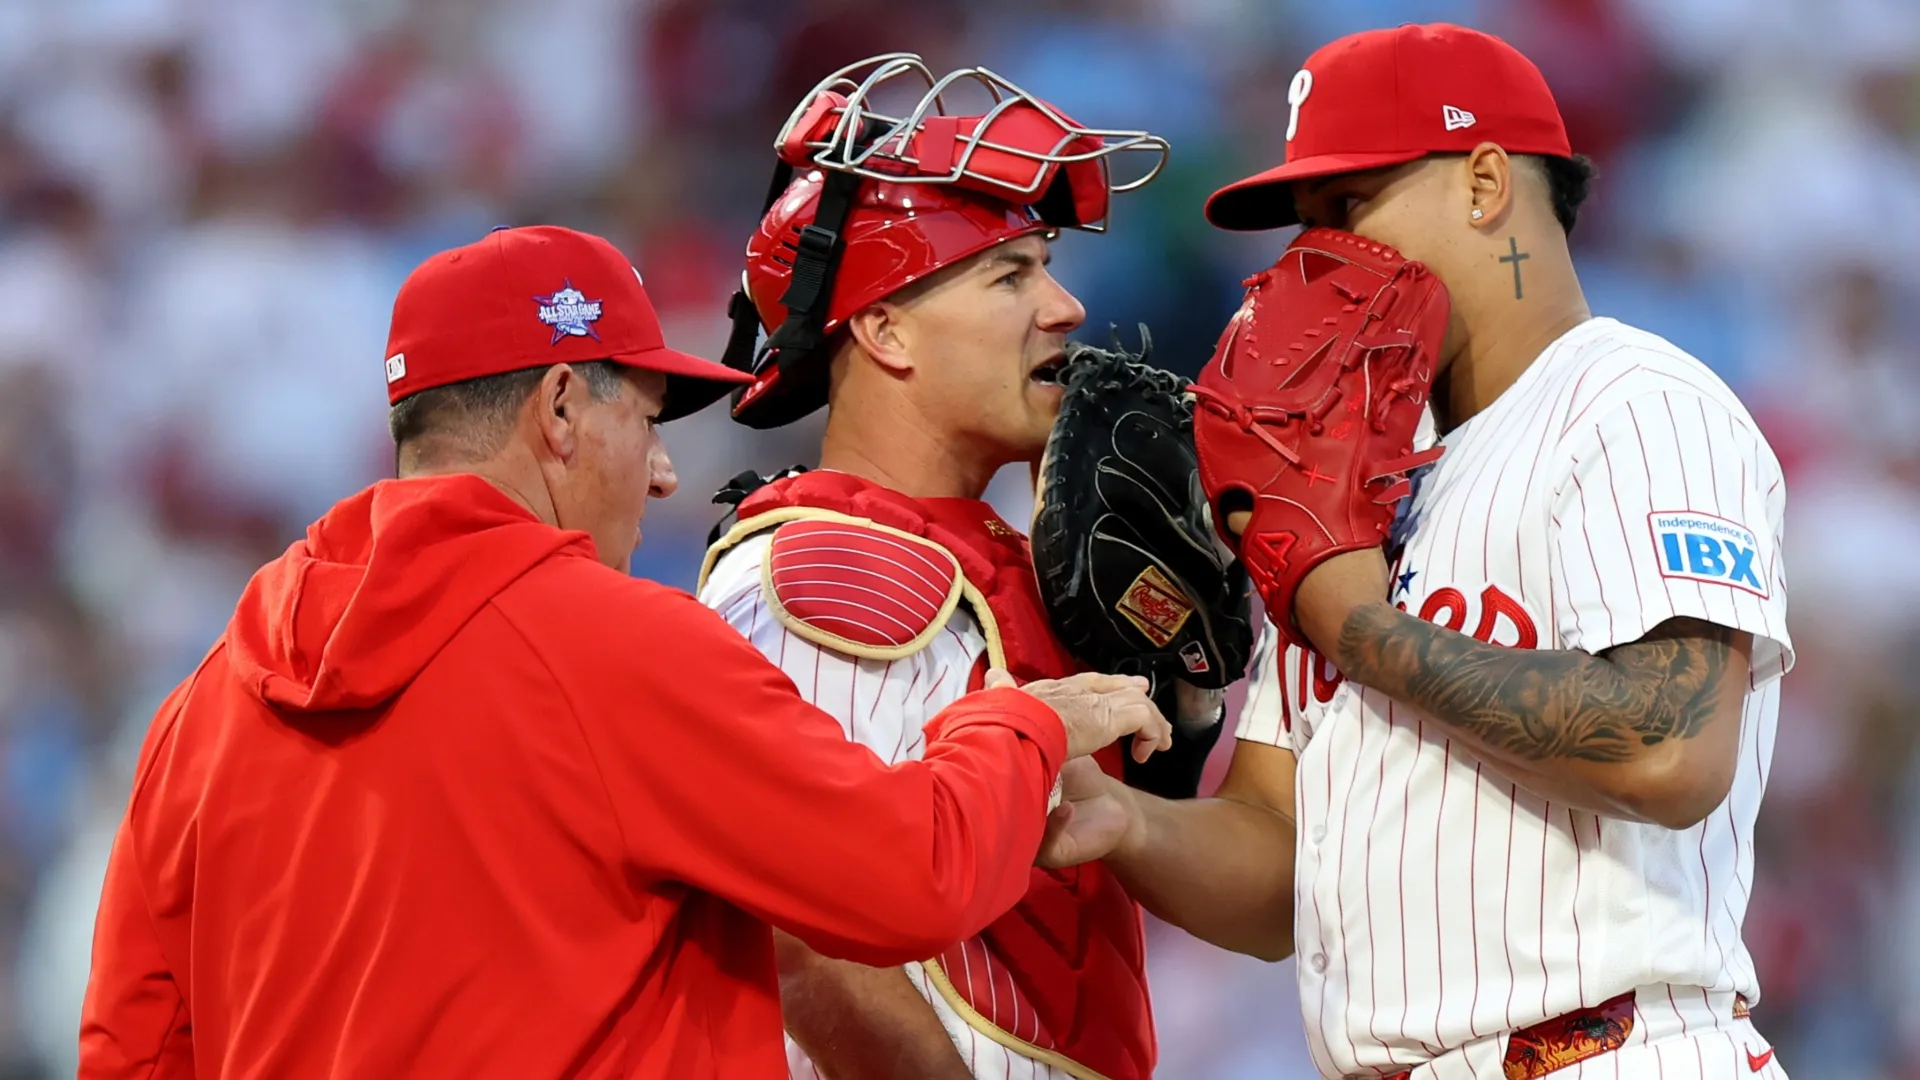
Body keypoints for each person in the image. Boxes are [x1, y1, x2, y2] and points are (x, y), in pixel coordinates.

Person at [76, 224, 1172, 1080]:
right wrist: (1027, 721)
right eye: (647, 421)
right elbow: (912, 875)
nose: (659, 476)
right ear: (561, 408)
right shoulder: (612, 648)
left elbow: (133, 1045)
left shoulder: (208, 704)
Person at [1040, 23, 1796, 1080]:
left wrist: (1355, 621)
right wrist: (1120, 817)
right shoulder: (1351, 484)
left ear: (1486, 181)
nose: (1317, 261)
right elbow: (1272, 872)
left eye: (1351, 209)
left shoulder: (1635, 406)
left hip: (1611, 1052)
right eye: (1305, 227)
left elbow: (1666, 748)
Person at [696, 57, 1198, 1080]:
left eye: (1049, 267)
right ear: (883, 330)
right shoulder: (835, 563)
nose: (1064, 308)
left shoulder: (988, 556)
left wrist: (1185, 711)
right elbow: (798, 927)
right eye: (1010, 275)